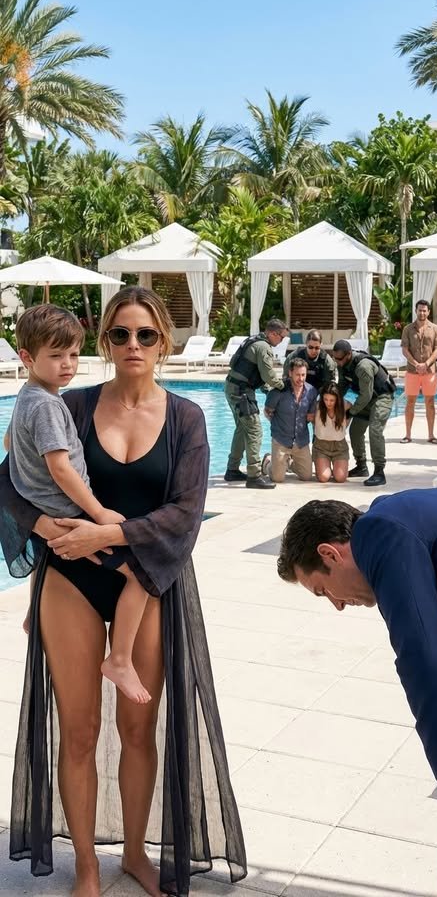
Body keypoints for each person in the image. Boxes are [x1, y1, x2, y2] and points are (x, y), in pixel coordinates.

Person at [0, 287, 246, 897]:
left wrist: (108, 532)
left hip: (147, 580)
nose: (133, 344)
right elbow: (7, 480)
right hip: (71, 580)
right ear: (105, 342)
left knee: (139, 730)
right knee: (79, 731)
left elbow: (186, 512)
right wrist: (42, 526)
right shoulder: (70, 404)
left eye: (145, 334)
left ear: (164, 342)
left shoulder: (186, 418)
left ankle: (135, 852)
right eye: (120, 334)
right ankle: (86, 866)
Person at [277, 488, 437, 897]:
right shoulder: (419, 509)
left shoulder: (381, 532)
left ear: (330, 554)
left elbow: (424, 659)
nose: (337, 605)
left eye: (323, 590)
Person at [9, 304, 152, 705]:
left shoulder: (29, 397)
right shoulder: (48, 406)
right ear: (27, 357)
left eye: (73, 354)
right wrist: (98, 512)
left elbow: (9, 443)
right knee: (141, 574)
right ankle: (119, 659)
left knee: (44, 555)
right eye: (56, 356)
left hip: (45, 511)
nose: (68, 365)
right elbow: (61, 468)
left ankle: (33, 613)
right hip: (68, 513)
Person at [224, 318, 288, 489]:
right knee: (254, 431)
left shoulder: (254, 340)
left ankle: (232, 470)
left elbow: (254, 372)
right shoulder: (263, 347)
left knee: (242, 429)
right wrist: (283, 386)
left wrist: (266, 389)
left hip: (232, 387)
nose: (282, 340)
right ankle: (254, 476)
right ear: (272, 333)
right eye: (281, 337)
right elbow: (268, 375)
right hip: (241, 392)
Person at [332, 339, 395, 487]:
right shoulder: (342, 363)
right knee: (355, 431)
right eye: (335, 359)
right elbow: (342, 386)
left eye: (340, 359)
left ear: (349, 354)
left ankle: (379, 471)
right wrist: (334, 404)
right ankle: (361, 466)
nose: (337, 362)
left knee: (375, 430)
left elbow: (365, 396)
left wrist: (351, 412)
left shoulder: (363, 366)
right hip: (367, 398)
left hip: (382, 397)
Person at [262, 357, 317, 483]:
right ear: (290, 373)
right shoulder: (278, 390)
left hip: (301, 441)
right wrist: (279, 425)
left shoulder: (311, 391)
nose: (301, 378)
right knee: (277, 478)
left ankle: (288, 463)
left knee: (306, 476)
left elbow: (310, 416)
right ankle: (267, 462)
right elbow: (267, 411)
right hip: (281, 439)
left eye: (303, 375)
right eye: (297, 375)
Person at [400, 299, 437, 444]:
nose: (422, 313)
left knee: (430, 402)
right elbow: (405, 349)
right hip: (412, 371)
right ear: (416, 311)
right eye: (420, 310)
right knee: (410, 402)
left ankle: (431, 435)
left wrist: (427, 363)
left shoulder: (435, 329)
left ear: (428, 312)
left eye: (424, 310)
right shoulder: (407, 329)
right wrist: (416, 364)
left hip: (429, 371)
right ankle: (407, 434)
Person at [312, 381, 350, 482]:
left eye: (332, 400)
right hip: (321, 447)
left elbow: (354, 409)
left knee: (340, 478)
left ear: (337, 399)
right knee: (324, 477)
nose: (328, 403)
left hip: (340, 447)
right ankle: (325, 467)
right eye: (325, 399)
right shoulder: (317, 406)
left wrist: (345, 423)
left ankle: (337, 468)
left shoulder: (344, 405)